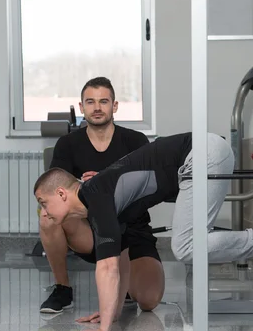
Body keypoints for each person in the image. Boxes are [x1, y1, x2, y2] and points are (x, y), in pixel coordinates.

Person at [33, 132, 253, 331]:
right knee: (187, 245)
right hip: (200, 154)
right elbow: (119, 260)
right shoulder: (99, 197)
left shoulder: (95, 195)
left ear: (61, 193)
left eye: (44, 202)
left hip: (200, 154)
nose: (43, 210)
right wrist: (113, 313)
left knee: (185, 246)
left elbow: (106, 267)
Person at [39, 76, 164, 315]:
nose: (97, 107)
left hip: (132, 228)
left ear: (114, 106)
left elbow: (149, 187)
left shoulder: (135, 141)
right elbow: (56, 192)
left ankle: (125, 284)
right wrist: (84, 186)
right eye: (91, 102)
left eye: (104, 101)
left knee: (148, 300)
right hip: (90, 230)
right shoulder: (67, 144)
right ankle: (63, 289)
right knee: (47, 216)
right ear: (82, 107)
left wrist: (108, 182)